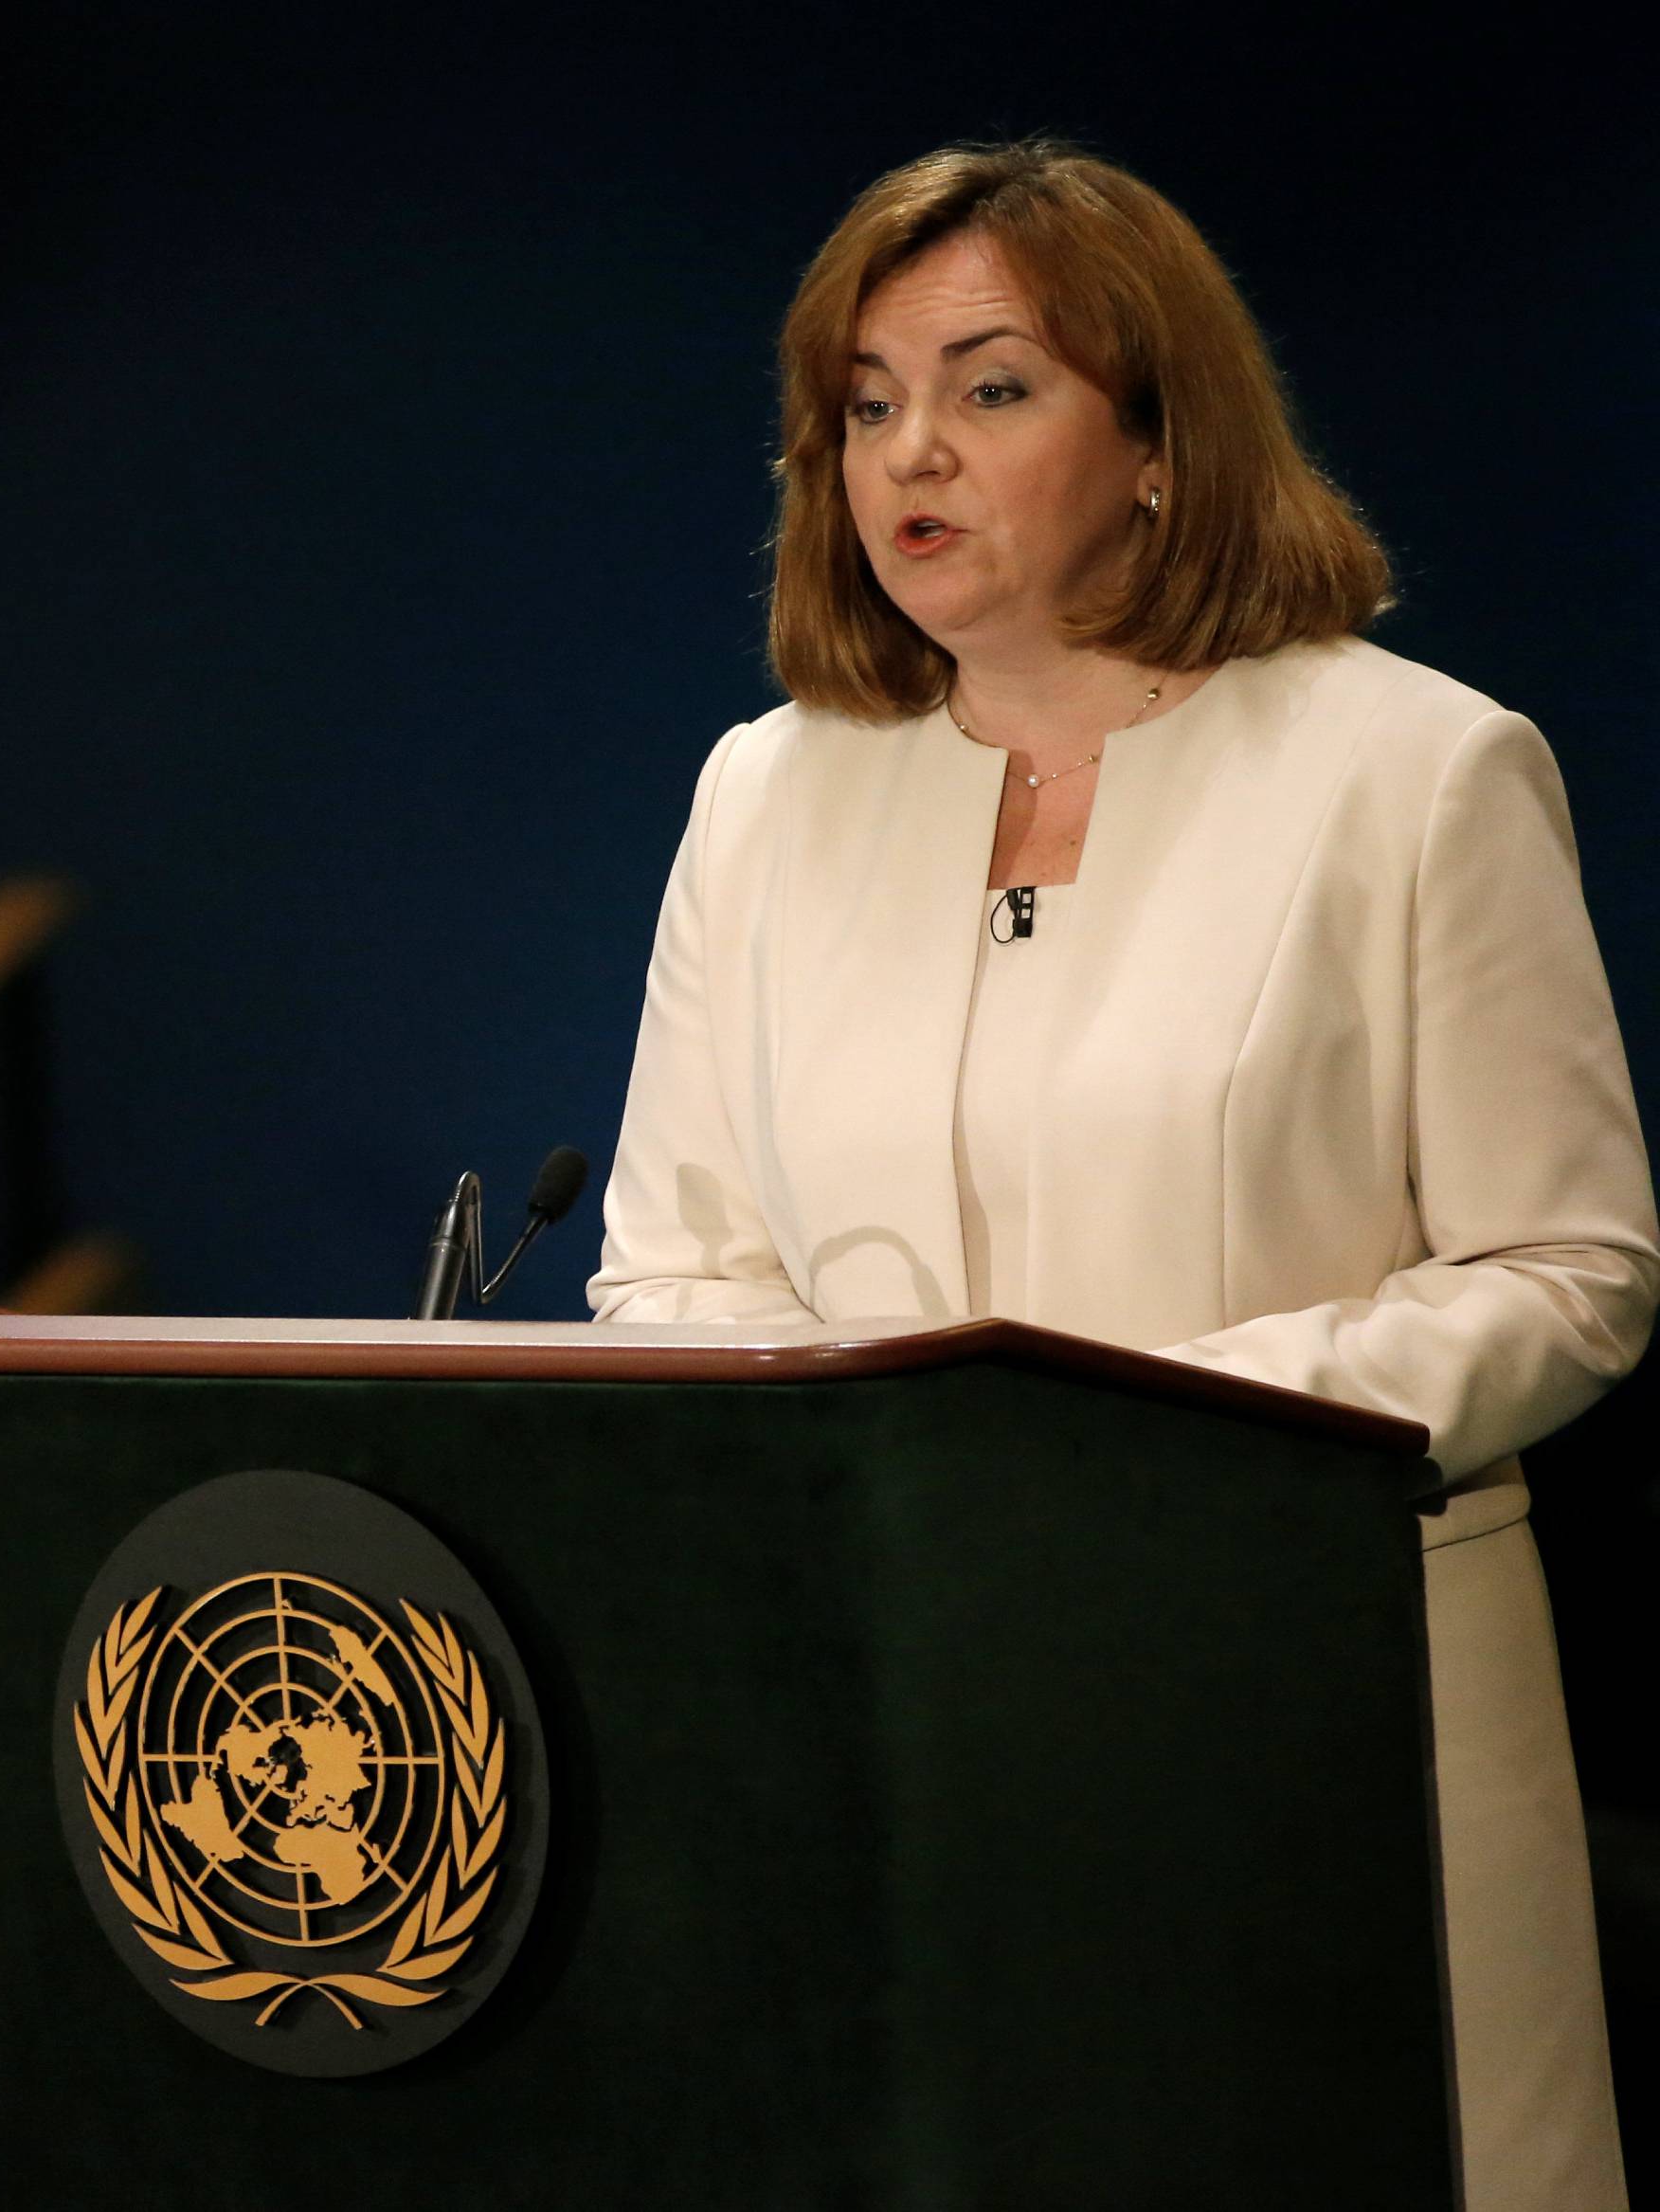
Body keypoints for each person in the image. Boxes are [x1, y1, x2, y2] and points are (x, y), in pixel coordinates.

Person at [587, 138, 1657, 2207]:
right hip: (901, 1725)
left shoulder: (1415, 770)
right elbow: (673, 1271)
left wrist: (1179, 1455)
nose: (915, 452)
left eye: (992, 389)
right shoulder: (765, 795)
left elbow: (1569, 1267)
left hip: (1326, 1713)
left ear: (1162, 440)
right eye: (868, 400)